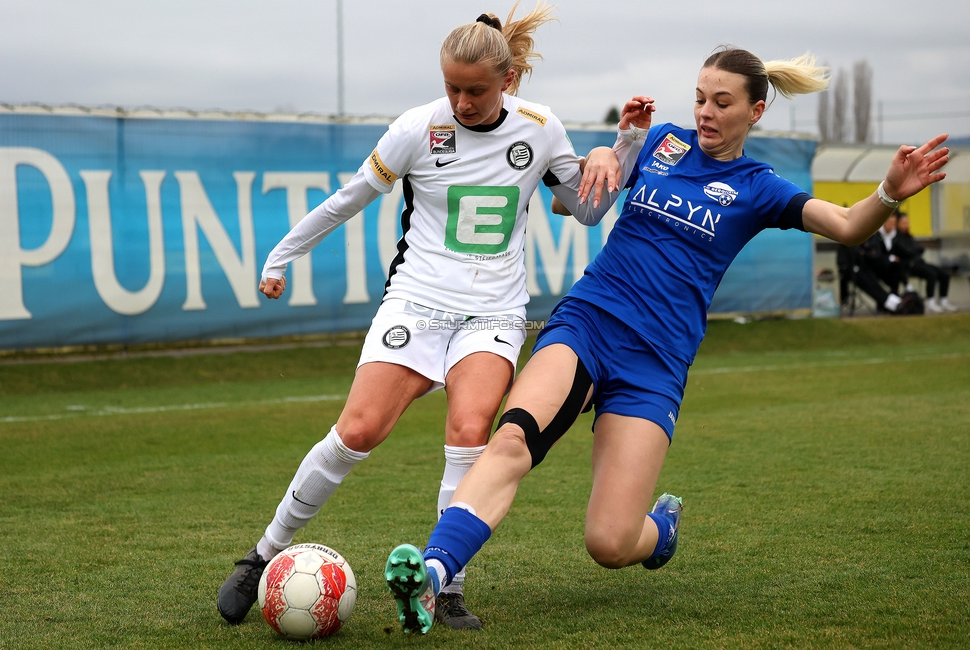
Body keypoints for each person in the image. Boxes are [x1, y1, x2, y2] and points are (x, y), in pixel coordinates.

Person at [383, 45, 949, 635]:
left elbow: (848, 226)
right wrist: (611, 148)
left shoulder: (759, 187)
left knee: (609, 541)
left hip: (656, 365)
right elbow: (569, 201)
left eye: (721, 103)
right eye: (700, 98)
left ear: (755, 112)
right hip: (589, 323)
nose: (705, 112)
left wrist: (888, 192)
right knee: (513, 442)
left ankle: (660, 534)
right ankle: (432, 573)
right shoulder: (663, 142)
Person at [216, 2, 653, 631]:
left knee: (470, 431)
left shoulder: (540, 127)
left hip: (494, 312)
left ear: (506, 81)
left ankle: (444, 587)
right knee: (358, 432)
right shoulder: (417, 127)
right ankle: (262, 556)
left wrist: (626, 144)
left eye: (475, 90)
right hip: (416, 301)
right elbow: (349, 200)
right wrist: (282, 255)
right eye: (451, 87)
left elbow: (583, 212)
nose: (462, 101)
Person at [894, 210, 956, 312]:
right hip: (910, 265)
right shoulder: (897, 238)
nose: (906, 225)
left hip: (920, 262)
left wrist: (913, 250)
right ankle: (930, 302)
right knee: (931, 274)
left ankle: (944, 301)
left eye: (907, 222)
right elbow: (907, 251)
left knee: (944, 274)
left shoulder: (909, 236)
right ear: (898, 224)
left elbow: (920, 249)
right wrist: (913, 250)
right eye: (903, 223)